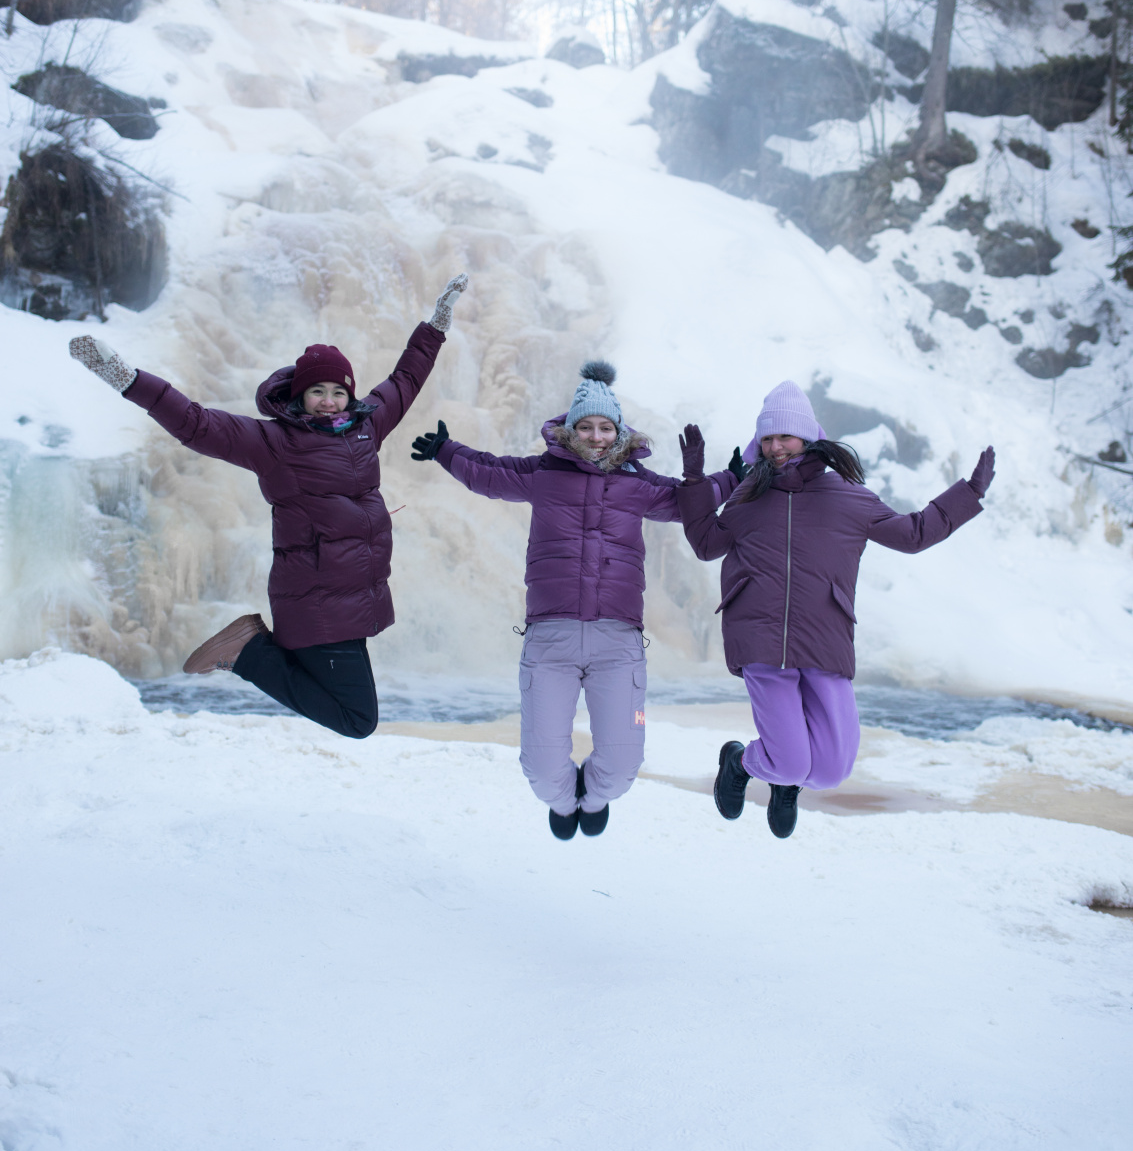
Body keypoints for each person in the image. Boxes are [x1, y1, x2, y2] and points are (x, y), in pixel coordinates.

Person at [68, 274, 468, 738]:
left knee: (354, 713)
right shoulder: (274, 440)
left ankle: (250, 652)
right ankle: (247, 653)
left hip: (349, 599)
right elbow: (196, 424)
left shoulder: (366, 427)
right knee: (358, 720)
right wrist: (125, 378)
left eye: (339, 391)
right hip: (318, 602)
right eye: (318, 391)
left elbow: (406, 378)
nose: (329, 400)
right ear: (299, 396)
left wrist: (436, 323)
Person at [410, 360, 736, 840]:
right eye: (586, 426)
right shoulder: (543, 474)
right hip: (549, 643)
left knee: (625, 763)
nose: (597, 436)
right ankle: (564, 803)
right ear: (570, 430)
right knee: (541, 769)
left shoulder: (639, 485)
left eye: (606, 427)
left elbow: (693, 503)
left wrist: (730, 477)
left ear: (620, 431)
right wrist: (446, 450)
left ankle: (597, 796)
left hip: (619, 645)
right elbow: (489, 473)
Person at [678, 380, 994, 839]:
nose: (775, 446)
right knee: (788, 760)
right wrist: (695, 483)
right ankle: (742, 762)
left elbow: (915, 534)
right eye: (767, 438)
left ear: (808, 438)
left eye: (784, 436)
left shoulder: (850, 498)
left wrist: (970, 491)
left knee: (830, 771)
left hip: (825, 641)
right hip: (761, 643)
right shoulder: (747, 497)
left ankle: (786, 782)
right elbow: (706, 544)